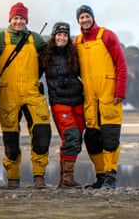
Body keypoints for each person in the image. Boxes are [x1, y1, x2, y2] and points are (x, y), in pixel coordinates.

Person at [0, 2, 51, 189]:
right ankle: (13, 178)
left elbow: (51, 55)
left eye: (22, 18)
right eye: (15, 18)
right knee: (10, 139)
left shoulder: (36, 38)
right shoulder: (0, 38)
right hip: (9, 94)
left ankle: (39, 176)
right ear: (10, 19)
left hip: (33, 94)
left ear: (26, 20)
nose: (18, 21)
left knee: (42, 134)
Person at [73, 5, 128, 189]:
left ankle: (111, 177)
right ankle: (101, 177)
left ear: (93, 17)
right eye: (81, 17)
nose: (84, 20)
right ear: (78, 20)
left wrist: (119, 92)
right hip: (90, 99)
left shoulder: (107, 36)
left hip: (109, 96)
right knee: (92, 139)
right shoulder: (77, 42)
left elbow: (121, 64)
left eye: (87, 16)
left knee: (110, 139)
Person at [39, 22, 85, 188]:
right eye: (59, 34)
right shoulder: (45, 53)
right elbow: (34, 74)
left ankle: (63, 180)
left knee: (75, 140)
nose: (62, 38)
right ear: (53, 35)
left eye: (65, 35)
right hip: (59, 103)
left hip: (78, 102)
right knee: (71, 137)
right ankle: (67, 178)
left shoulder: (74, 53)